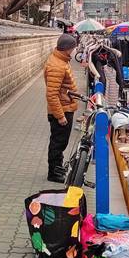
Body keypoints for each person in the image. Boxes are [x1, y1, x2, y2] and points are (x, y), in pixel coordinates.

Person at [44, 34, 80, 183]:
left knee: (59, 141)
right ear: (67, 49)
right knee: (58, 142)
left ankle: (57, 169)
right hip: (62, 109)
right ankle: (54, 173)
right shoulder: (57, 66)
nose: (73, 51)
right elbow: (52, 94)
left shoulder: (60, 61)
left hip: (65, 106)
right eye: (72, 48)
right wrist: (60, 116)